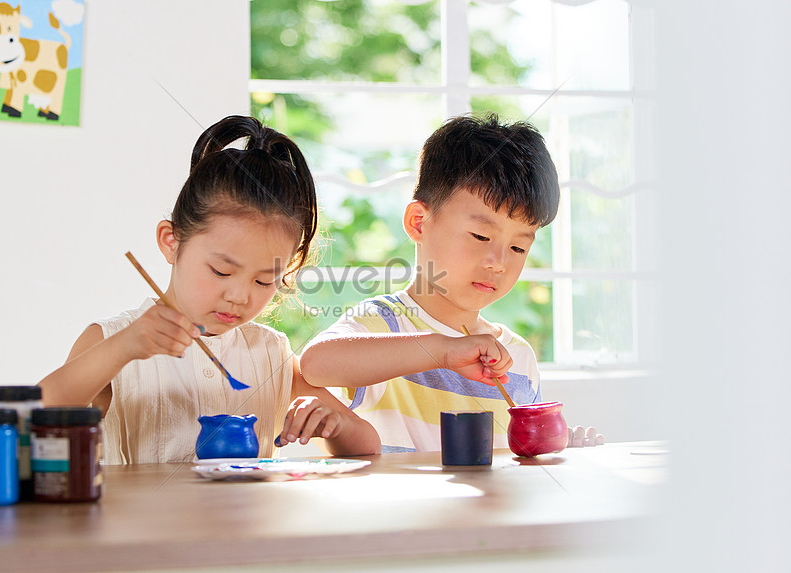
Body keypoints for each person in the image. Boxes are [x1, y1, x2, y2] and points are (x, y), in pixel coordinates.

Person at [39, 115, 380, 464]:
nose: (239, 295)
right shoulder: (110, 337)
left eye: (264, 280)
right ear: (171, 241)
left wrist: (332, 423)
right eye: (221, 270)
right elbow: (32, 415)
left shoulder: (270, 353)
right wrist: (123, 348)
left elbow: (367, 445)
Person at [300, 114, 602, 452]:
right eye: (480, 235)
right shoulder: (383, 324)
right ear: (419, 222)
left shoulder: (517, 356)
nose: (498, 262)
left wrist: (556, 447)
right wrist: (443, 350)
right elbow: (315, 364)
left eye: (518, 247)